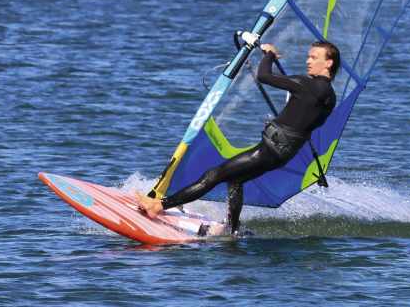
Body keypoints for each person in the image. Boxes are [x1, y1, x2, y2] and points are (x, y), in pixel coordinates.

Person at [136, 40, 339, 235]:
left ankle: (158, 205)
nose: (308, 61)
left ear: (328, 62)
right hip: (283, 153)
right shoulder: (330, 96)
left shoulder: (306, 85)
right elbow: (308, 121)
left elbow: (264, 76)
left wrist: (269, 54)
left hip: (270, 149)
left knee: (214, 175)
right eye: (308, 57)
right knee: (235, 180)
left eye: (314, 57)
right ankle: (232, 229)